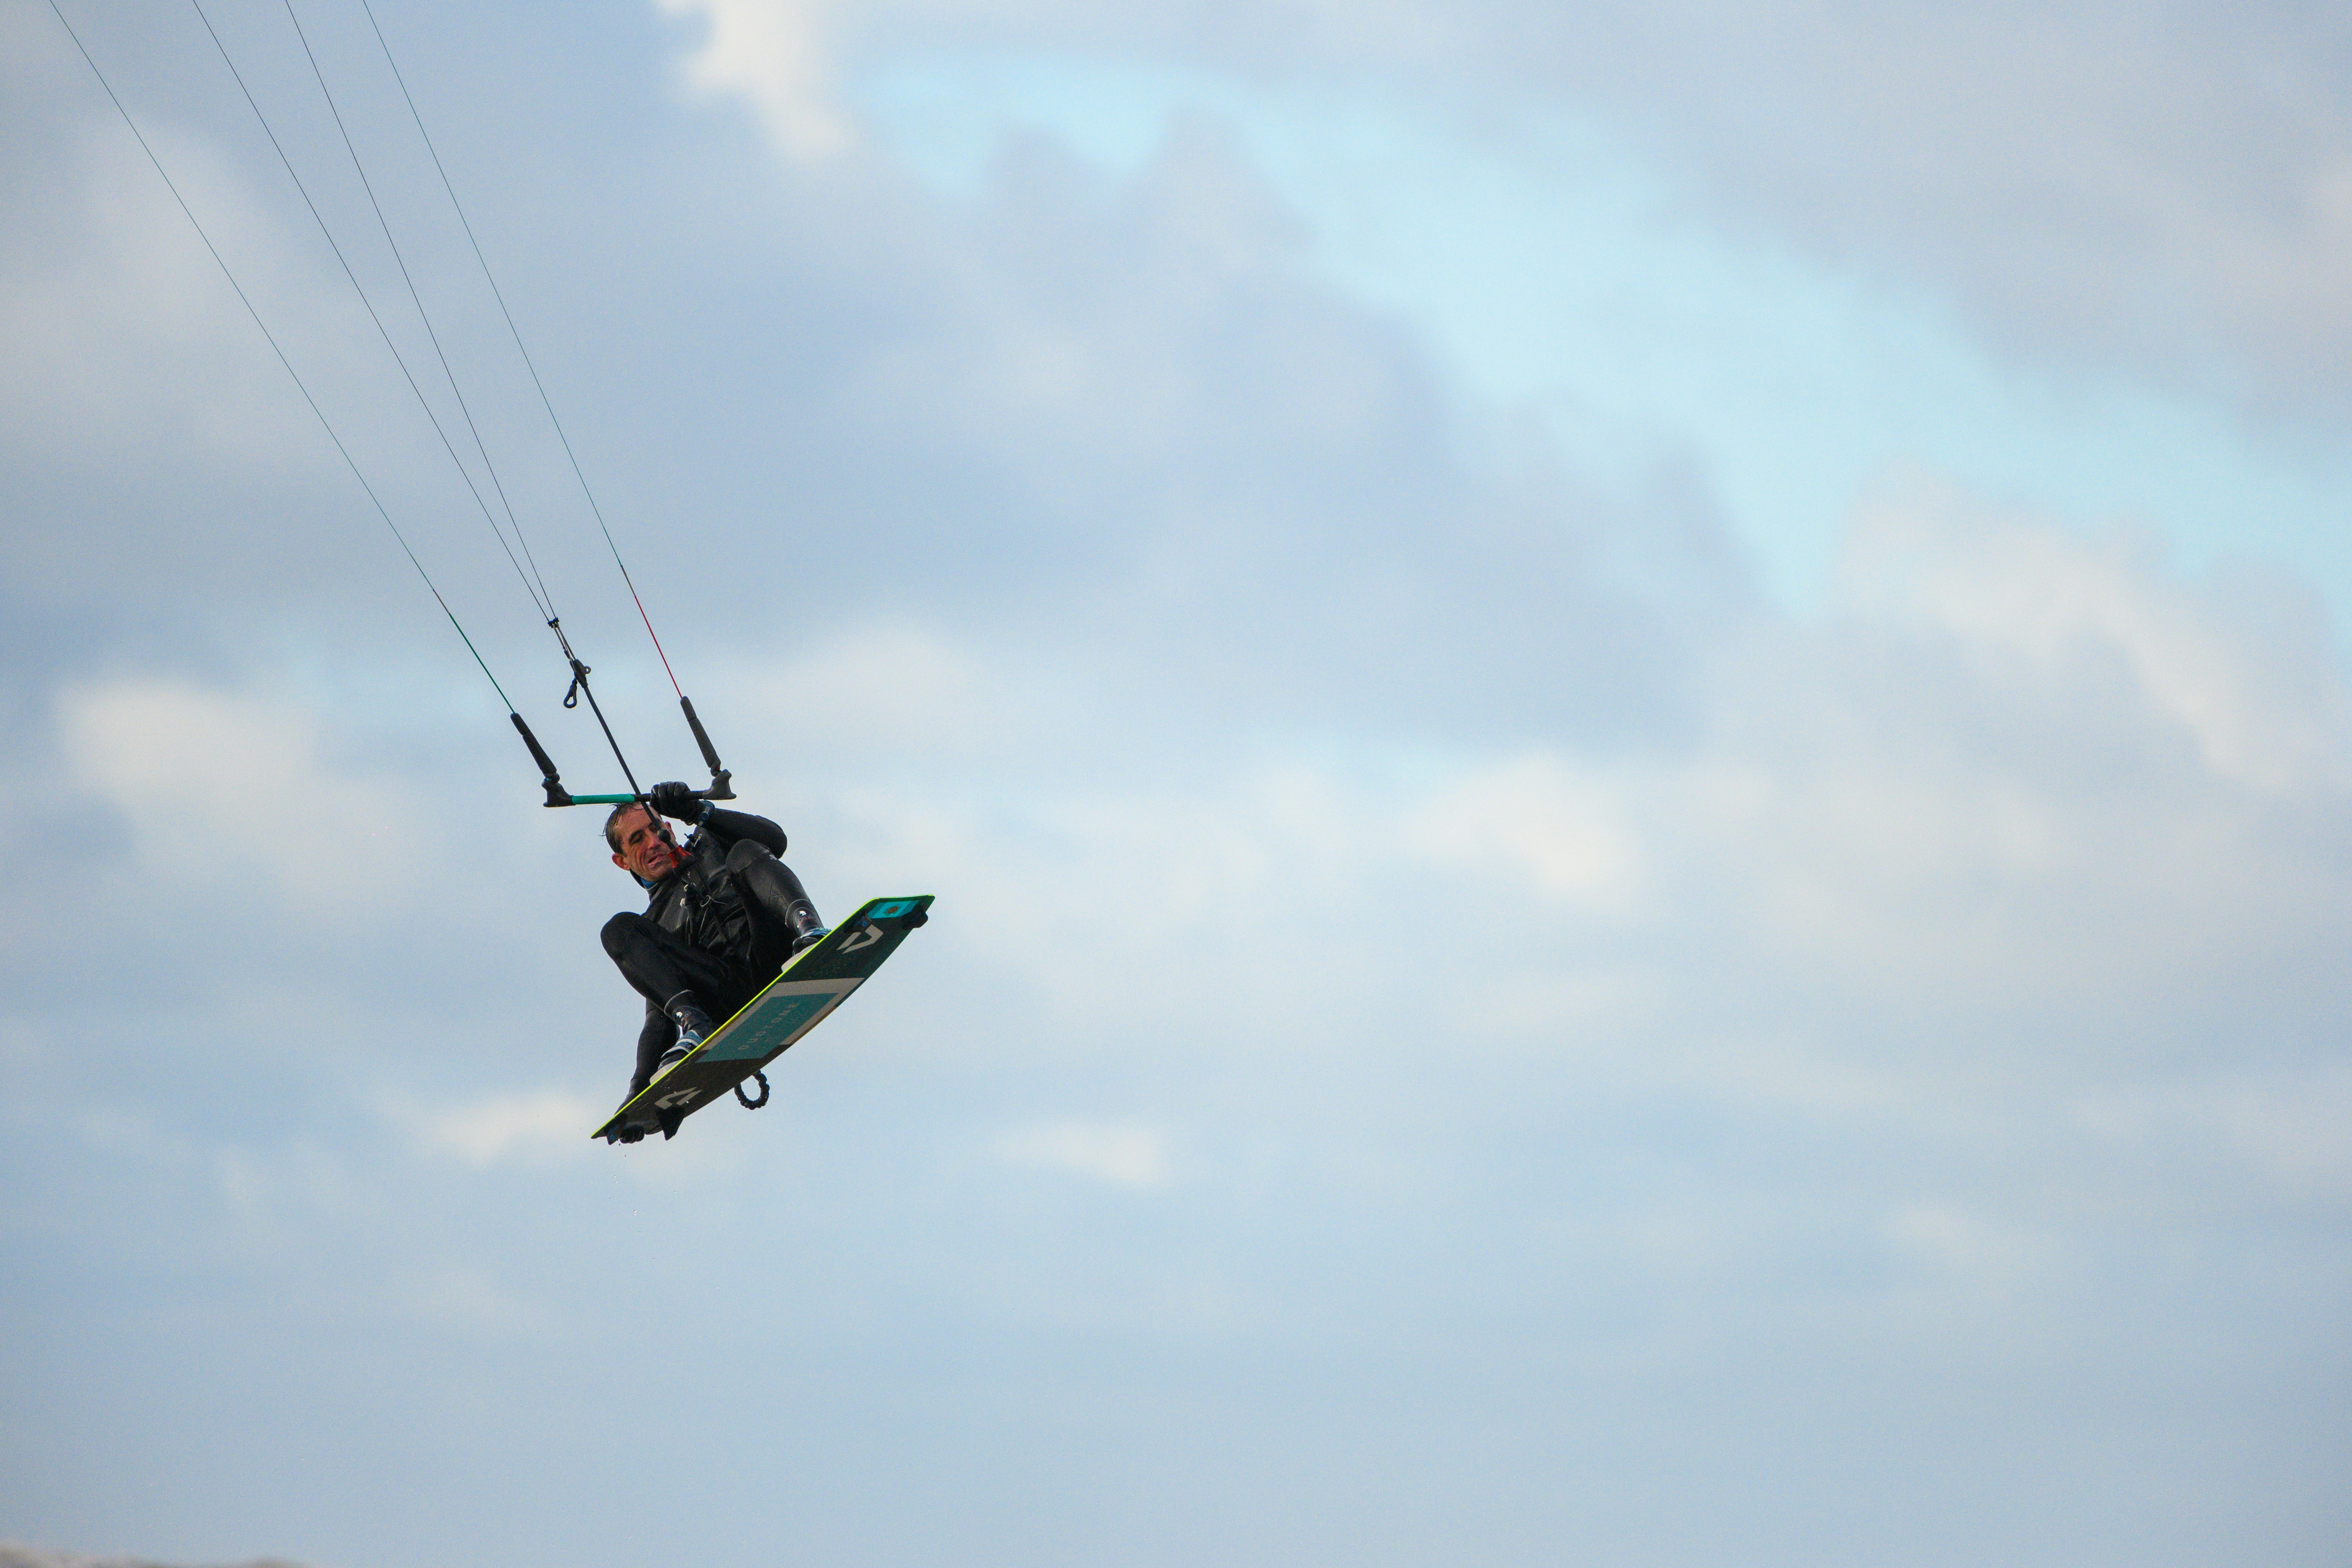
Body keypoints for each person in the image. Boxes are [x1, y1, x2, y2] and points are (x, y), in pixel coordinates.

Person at [599, 781, 827, 1108]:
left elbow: (777, 840)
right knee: (618, 928)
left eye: (656, 830)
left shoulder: (710, 845)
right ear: (622, 861)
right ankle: (696, 1026)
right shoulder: (651, 927)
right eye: (638, 840)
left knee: (745, 849)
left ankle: (811, 931)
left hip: (774, 954)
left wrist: (699, 812)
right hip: (725, 993)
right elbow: (657, 1021)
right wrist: (641, 1092)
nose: (654, 843)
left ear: (669, 828)